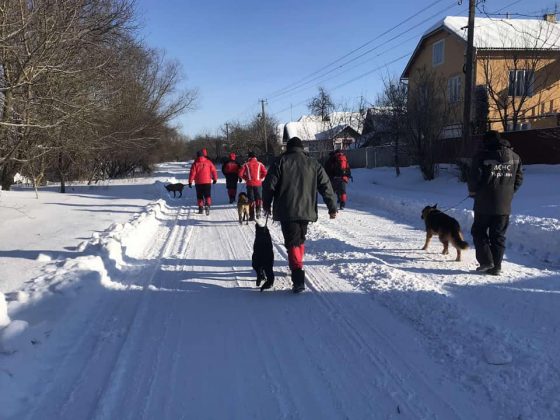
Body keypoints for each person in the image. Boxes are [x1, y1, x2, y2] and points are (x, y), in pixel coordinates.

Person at [262, 137, 338, 293]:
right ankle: (296, 264)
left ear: (288, 148)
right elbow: (326, 185)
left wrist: (266, 204)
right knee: (298, 239)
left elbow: (269, 185)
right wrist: (332, 207)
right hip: (306, 210)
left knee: (293, 242)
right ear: (302, 148)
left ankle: (298, 277)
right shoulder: (313, 163)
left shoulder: (280, 162)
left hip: (287, 209)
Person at [468, 130, 523, 276]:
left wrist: (473, 193)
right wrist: (509, 193)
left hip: (483, 203)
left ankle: (486, 261)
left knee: (478, 231)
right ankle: (496, 267)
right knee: (498, 235)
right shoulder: (515, 157)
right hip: (504, 205)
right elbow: (519, 179)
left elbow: (474, 178)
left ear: (486, 142)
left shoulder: (482, 156)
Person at [238, 151, 267, 220]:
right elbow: (265, 173)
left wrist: (246, 178)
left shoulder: (246, 164)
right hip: (258, 184)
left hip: (249, 184)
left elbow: (240, 174)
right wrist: (260, 177)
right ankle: (258, 211)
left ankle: (252, 215)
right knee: (258, 198)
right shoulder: (260, 164)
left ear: (249, 157)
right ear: (255, 157)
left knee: (251, 199)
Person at [188, 150, 218, 215]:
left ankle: (201, 208)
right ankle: (207, 204)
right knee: (207, 195)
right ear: (203, 155)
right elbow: (214, 171)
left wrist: (190, 182)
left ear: (197, 156)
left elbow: (192, 173)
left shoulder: (195, 163)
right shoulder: (209, 162)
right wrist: (215, 178)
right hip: (207, 182)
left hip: (198, 182)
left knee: (199, 196)